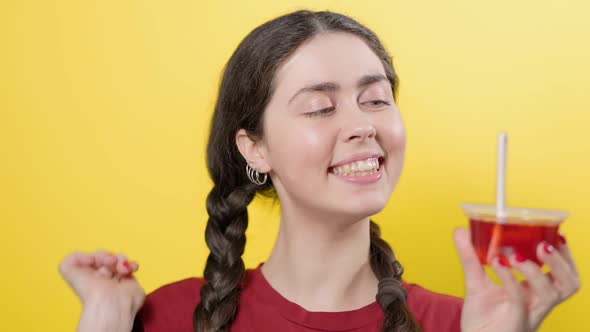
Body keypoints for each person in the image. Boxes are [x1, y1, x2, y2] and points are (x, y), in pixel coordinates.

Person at [59, 10, 580, 332]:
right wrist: (103, 323)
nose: (362, 126)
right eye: (320, 107)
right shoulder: (166, 318)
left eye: (375, 99)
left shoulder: (467, 324)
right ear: (254, 149)